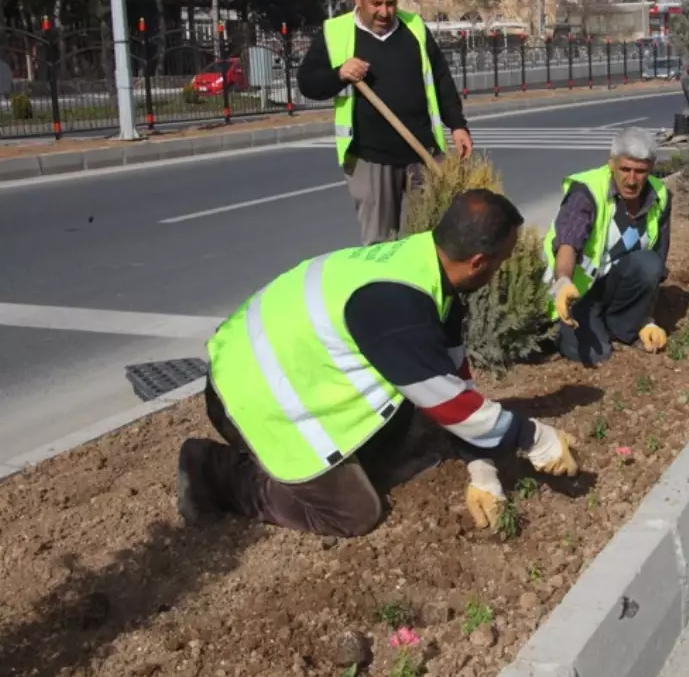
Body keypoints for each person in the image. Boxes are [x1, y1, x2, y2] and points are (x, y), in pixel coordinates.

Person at [176, 189, 580, 538]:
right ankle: (211, 470)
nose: (499, 272)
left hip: (271, 372)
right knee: (354, 512)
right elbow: (449, 406)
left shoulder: (426, 271)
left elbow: (456, 390)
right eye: (500, 263)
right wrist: (534, 438)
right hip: (245, 398)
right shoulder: (398, 304)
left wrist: (481, 468)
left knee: (418, 433)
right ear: (477, 262)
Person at [297, 0, 474, 246]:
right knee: (380, 246)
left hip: (422, 153)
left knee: (429, 240)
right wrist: (340, 74)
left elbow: (441, 78)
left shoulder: (414, 28)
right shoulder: (335, 32)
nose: (384, 11)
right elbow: (308, 83)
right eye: (376, 3)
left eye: (390, 3)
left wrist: (457, 125)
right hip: (371, 158)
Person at [543, 128, 671, 366]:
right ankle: (568, 329)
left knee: (650, 264)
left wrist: (647, 320)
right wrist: (562, 282)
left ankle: (619, 325)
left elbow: (657, 260)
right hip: (576, 296)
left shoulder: (660, 196)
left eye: (640, 171)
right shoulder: (587, 191)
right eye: (625, 169)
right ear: (611, 163)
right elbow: (568, 242)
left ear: (651, 168)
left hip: (612, 287)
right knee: (596, 356)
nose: (632, 180)